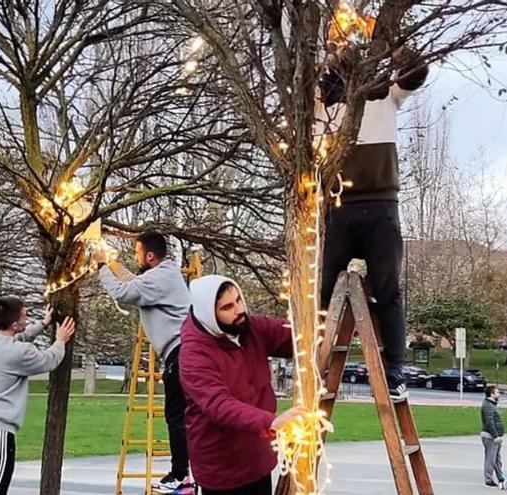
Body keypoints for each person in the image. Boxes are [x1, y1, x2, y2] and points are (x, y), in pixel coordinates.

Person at [317, 46, 429, 399]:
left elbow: (417, 73)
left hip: (381, 205)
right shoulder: (324, 107)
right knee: (323, 289)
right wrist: (324, 57)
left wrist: (396, 48)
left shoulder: (384, 98)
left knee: (388, 289)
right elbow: (304, 80)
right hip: (339, 206)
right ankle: (314, 365)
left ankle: (395, 368)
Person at [179, 275, 305, 495]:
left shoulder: (250, 327)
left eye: (238, 300)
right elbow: (219, 405)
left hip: (258, 460)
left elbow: (293, 337)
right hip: (221, 469)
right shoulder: (193, 354)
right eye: (227, 307)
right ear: (209, 313)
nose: (238, 310)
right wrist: (272, 422)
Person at [92, 231, 192, 492]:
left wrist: (102, 266)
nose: (135, 256)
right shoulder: (163, 275)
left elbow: (122, 292)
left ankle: (181, 474)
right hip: (185, 351)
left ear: (150, 255)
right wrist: (114, 264)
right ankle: (188, 472)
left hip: (180, 353)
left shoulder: (159, 278)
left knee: (175, 416)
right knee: (185, 416)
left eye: (137, 253)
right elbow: (134, 283)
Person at [0, 297, 75, 495]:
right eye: (25, 315)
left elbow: (16, 340)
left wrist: (43, 324)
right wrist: (60, 340)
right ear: (15, 323)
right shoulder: (20, 353)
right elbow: (48, 360)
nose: (27, 318)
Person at [480, 385, 505, 488]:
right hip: (490, 437)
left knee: (497, 459)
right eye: (497, 393)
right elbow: (489, 422)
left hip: (496, 437)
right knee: (490, 459)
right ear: (492, 394)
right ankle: (488, 480)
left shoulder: (492, 405)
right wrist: (495, 436)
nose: (499, 394)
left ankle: (501, 477)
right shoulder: (487, 406)